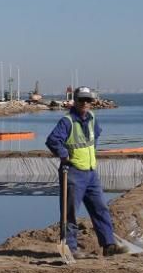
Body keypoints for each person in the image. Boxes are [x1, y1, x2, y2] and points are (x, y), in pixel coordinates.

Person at [46, 86, 129, 258]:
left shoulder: (92, 118)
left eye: (88, 100)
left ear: (91, 102)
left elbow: (95, 136)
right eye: (81, 100)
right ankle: (70, 248)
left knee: (101, 209)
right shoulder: (67, 121)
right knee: (70, 213)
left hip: (91, 172)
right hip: (73, 173)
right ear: (75, 101)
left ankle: (109, 245)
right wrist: (64, 154)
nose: (85, 103)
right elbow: (53, 140)